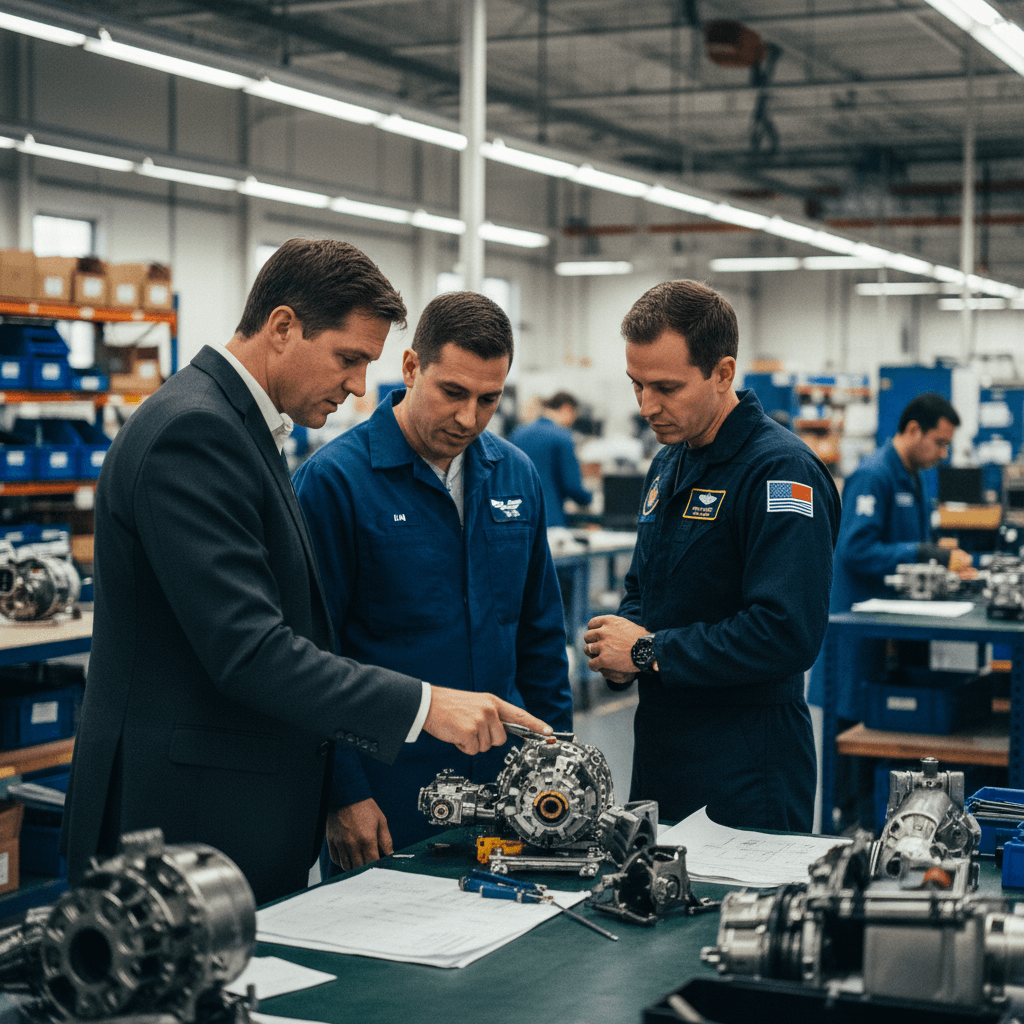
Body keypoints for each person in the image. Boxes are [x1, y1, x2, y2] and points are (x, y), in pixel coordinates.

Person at [60, 240, 552, 904]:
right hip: (185, 820)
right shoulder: (195, 433)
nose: (356, 387)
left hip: (231, 812)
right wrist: (426, 705)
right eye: (349, 359)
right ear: (285, 327)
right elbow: (250, 648)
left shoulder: (237, 429)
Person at [293, 292, 572, 870]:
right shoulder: (334, 483)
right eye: (453, 393)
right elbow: (312, 655)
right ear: (412, 367)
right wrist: (341, 794)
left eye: (489, 399)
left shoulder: (515, 475)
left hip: (508, 791)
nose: (469, 418)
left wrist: (558, 768)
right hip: (389, 795)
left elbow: (540, 637)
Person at [582, 280, 840, 833]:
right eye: (637, 385)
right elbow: (644, 587)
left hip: (747, 763)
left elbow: (786, 632)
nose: (647, 406)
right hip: (661, 751)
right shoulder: (670, 462)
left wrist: (648, 650)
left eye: (667, 387)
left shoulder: (780, 473)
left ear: (722, 373)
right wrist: (621, 645)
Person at [807, 392, 973, 724]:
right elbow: (855, 549)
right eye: (939, 443)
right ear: (913, 430)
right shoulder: (874, 474)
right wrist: (924, 553)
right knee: (853, 735)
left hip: (891, 622)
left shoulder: (915, 476)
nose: (943, 454)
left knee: (889, 726)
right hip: (858, 626)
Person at [508, 391, 592, 527]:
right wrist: (589, 499)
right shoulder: (563, 437)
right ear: (566, 409)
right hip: (549, 519)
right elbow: (572, 485)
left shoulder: (517, 434)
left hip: (516, 516)